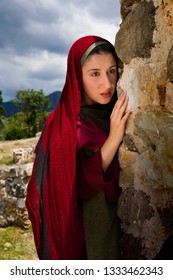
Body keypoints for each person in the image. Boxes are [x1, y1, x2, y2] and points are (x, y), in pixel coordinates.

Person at [26, 35, 130, 260]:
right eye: (95, 74)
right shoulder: (63, 125)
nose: (107, 83)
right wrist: (113, 139)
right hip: (81, 238)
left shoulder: (113, 111)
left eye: (111, 71)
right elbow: (77, 184)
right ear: (77, 76)